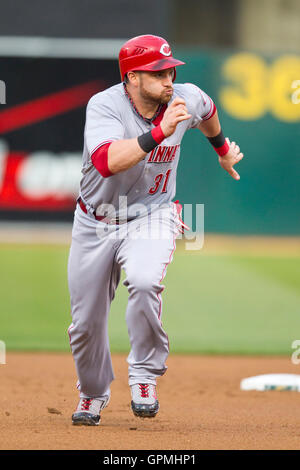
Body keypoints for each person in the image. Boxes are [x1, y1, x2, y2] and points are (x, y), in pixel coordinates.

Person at [68, 34, 243, 426]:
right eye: (158, 72)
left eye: (171, 70)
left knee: (145, 281)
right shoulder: (105, 106)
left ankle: (144, 375)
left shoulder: (185, 96)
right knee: (85, 324)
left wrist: (221, 150)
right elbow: (107, 161)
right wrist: (160, 132)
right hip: (95, 221)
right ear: (132, 78)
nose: (169, 78)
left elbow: (209, 110)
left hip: (153, 214)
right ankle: (93, 393)